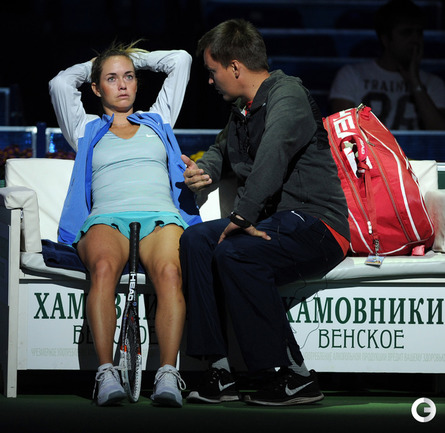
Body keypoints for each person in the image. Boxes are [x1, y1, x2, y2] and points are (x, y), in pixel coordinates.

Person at [179, 19, 350, 406]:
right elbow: (222, 149)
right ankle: (218, 369)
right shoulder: (242, 108)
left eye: (212, 71)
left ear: (235, 66)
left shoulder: (288, 94)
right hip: (273, 223)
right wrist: (206, 171)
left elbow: (273, 155)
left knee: (235, 252)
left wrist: (241, 218)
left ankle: (292, 374)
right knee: (195, 240)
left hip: (317, 224)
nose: (210, 80)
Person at [49, 41, 201, 407]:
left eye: (129, 76)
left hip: (160, 216)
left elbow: (180, 60)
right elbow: (60, 83)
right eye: (112, 78)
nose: (122, 85)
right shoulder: (85, 128)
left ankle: (167, 374)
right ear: (96, 87)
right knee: (103, 268)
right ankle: (106, 373)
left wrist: (129, 58)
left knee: (170, 273)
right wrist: (99, 62)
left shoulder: (158, 120)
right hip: (107, 219)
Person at [329, 0, 445, 130]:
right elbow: (344, 132)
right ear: (385, 39)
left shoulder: (433, 83)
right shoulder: (351, 75)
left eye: (419, 33)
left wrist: (415, 82)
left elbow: (439, 133)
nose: (415, 40)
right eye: (406, 33)